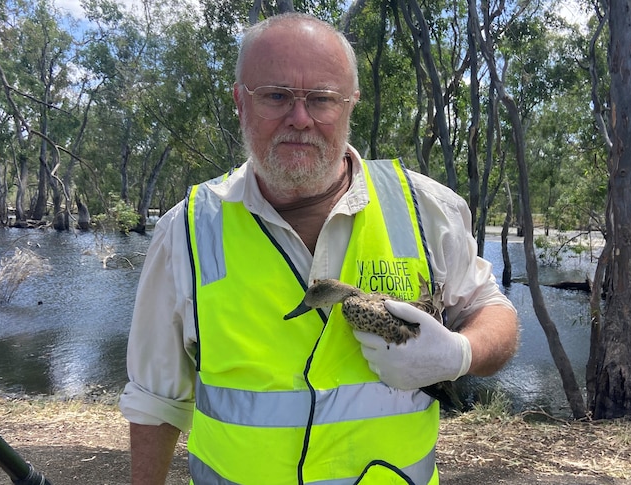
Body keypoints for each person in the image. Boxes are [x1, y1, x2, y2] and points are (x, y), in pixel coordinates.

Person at [119, 12, 519, 485]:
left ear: (351, 104)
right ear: (239, 103)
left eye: (322, 99)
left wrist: (458, 353)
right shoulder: (185, 230)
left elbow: (494, 312)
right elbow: (154, 401)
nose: (300, 119)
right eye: (275, 96)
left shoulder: (427, 208)